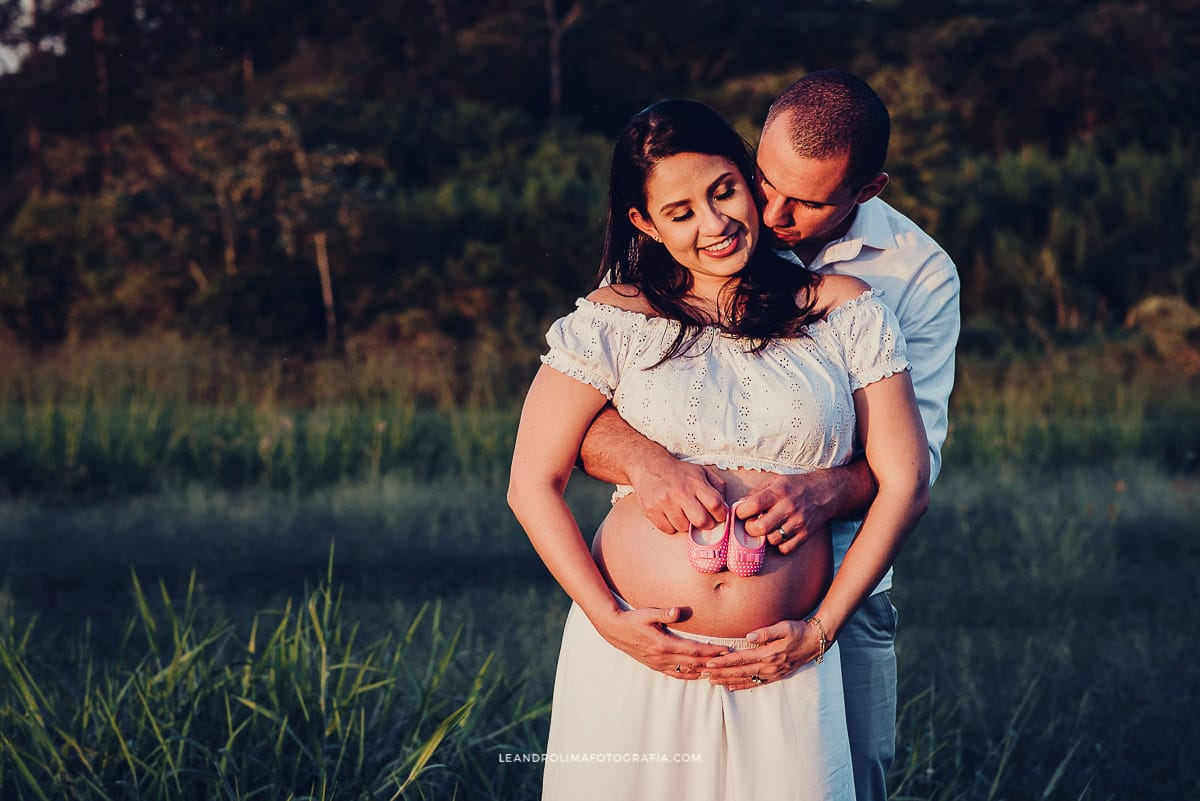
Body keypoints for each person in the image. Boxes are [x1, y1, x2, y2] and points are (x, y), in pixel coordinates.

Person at [507, 98, 930, 801]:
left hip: (784, 660)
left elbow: (906, 481)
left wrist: (820, 630)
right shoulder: (613, 318)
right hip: (637, 658)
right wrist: (612, 622)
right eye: (680, 212)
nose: (715, 223)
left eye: (724, 190)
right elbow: (531, 482)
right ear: (643, 223)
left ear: (747, 176)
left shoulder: (843, 308)